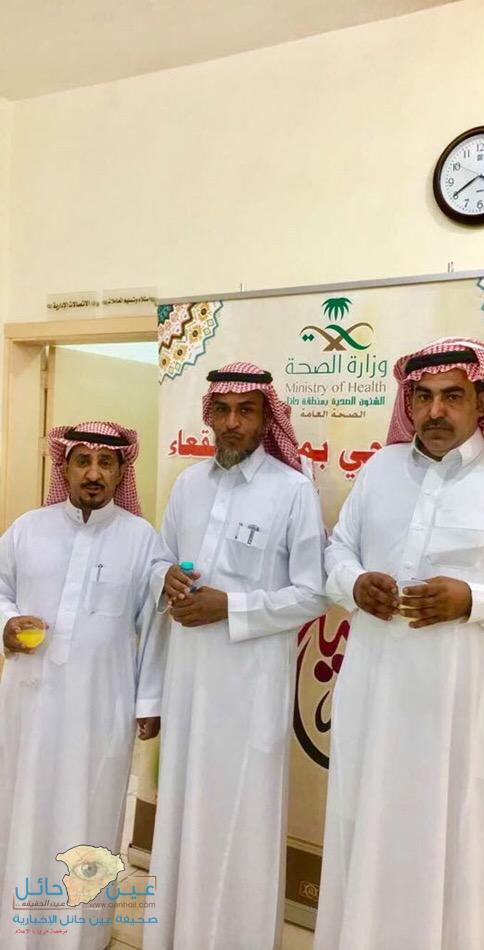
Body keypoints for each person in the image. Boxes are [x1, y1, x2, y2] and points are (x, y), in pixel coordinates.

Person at [314, 338, 484, 950]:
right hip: (375, 703)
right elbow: (337, 550)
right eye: (423, 397)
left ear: (482, 400)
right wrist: (354, 583)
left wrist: (474, 600)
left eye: (452, 396)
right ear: (408, 403)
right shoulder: (380, 469)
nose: (435, 411)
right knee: (368, 826)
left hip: (461, 716)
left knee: (457, 841)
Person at [145, 362, 327, 950]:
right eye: (222, 410)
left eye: (245, 411)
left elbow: (314, 593)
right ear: (209, 415)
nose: (231, 423)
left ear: (266, 418)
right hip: (188, 679)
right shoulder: (188, 485)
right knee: (184, 805)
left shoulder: (291, 490)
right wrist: (164, 577)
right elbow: (160, 558)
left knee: (243, 813)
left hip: (250, 687)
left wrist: (232, 607)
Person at [0, 421, 171, 950]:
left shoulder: (142, 539)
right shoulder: (27, 529)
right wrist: (5, 623)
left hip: (103, 704)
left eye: (106, 463)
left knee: (92, 810)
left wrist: (149, 701)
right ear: (65, 467)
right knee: (20, 804)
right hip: (28, 699)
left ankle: (81, 934)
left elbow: (156, 626)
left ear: (121, 472)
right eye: (82, 461)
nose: (94, 473)